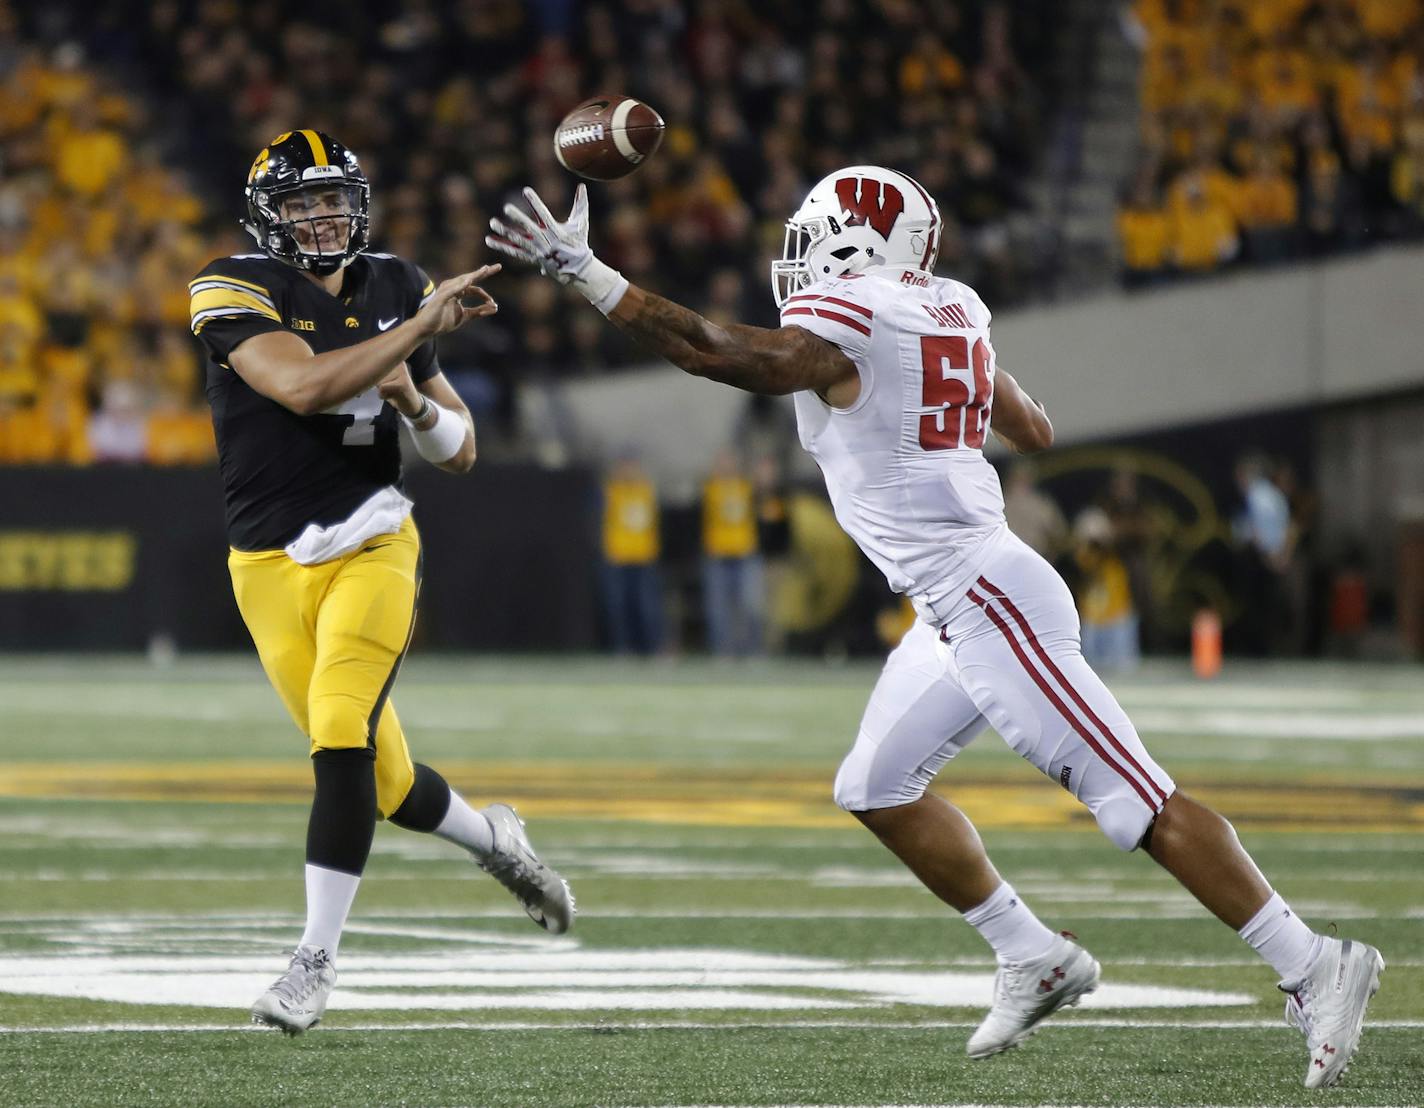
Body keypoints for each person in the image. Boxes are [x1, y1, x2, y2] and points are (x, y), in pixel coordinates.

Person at [487, 166, 1383, 1089]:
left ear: (855, 243)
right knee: (874, 785)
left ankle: (1313, 962)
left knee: (1135, 802)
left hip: (988, 595)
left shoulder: (862, 313)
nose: (797, 262)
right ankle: (1033, 955)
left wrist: (592, 276)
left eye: (813, 238)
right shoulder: (954, 303)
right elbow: (1033, 428)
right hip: (956, 599)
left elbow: (729, 355)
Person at [189, 130, 574, 1035]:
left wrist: (411, 394)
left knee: (337, 730)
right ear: (266, 217)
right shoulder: (228, 284)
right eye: (303, 204)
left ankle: (313, 961)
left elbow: (462, 450)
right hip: (268, 564)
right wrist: (414, 336)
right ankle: (498, 843)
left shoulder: (397, 283)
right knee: (388, 785)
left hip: (373, 539)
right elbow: (302, 389)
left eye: (334, 200)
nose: (322, 219)